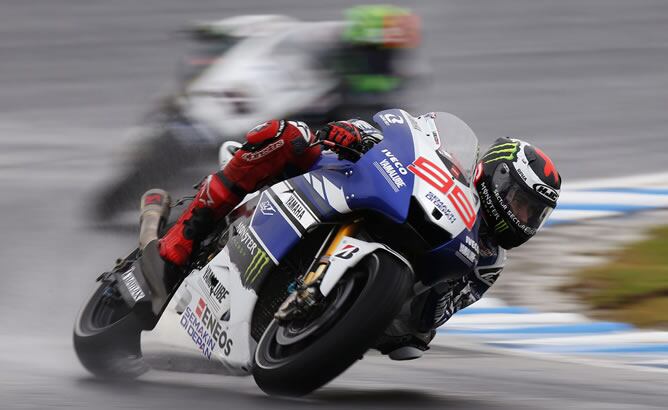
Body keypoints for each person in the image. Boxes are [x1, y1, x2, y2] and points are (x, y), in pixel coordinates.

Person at [159, 118, 561, 358]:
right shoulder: (453, 168)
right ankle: (184, 235)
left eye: (533, 214)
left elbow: (432, 318)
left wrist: (433, 297)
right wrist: (356, 134)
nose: (523, 217)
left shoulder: (490, 259)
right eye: (521, 202)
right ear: (496, 177)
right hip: (356, 189)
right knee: (289, 136)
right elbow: (406, 132)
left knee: (410, 341)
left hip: (393, 299)